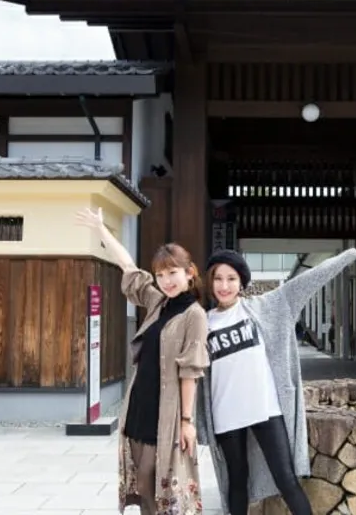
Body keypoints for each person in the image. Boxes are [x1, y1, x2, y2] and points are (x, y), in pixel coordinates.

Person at [195, 245, 356, 515]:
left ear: (241, 281)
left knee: (286, 478)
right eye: (218, 278)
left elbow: (308, 281)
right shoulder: (203, 323)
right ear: (210, 282)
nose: (224, 285)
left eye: (231, 278)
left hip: (265, 409)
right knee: (236, 481)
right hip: (226, 413)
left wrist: (349, 256)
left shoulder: (267, 307)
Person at [75, 206, 209, 515]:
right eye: (161, 275)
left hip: (166, 410)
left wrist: (186, 422)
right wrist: (100, 229)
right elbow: (128, 266)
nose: (166, 280)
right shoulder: (157, 303)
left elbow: (190, 372)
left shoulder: (195, 316)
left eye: (172, 273)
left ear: (190, 273)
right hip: (138, 404)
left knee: (157, 478)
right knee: (143, 481)